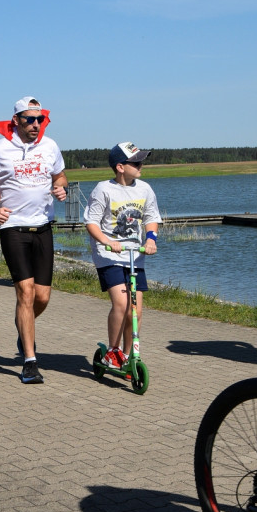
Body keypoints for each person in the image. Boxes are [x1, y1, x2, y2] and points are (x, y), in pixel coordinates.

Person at [0, 96, 68, 384]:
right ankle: (30, 361)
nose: (36, 124)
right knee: (25, 292)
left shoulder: (50, 146)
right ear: (17, 121)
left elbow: (60, 176)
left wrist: (60, 187)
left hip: (43, 226)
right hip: (13, 228)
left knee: (42, 296)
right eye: (30, 119)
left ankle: (24, 324)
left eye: (39, 119)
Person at [83, 142, 161, 374]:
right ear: (120, 166)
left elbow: (151, 217)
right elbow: (92, 223)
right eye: (135, 162)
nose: (140, 165)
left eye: (141, 161)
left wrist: (151, 239)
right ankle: (113, 351)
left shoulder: (145, 189)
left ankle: (129, 356)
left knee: (135, 310)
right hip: (109, 256)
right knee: (121, 304)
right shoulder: (103, 189)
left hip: (135, 256)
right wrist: (106, 241)